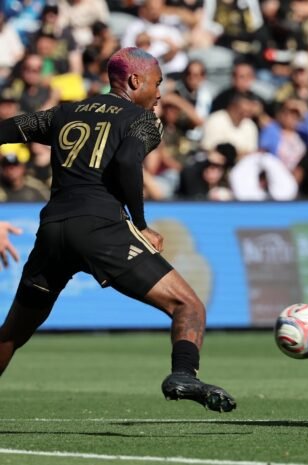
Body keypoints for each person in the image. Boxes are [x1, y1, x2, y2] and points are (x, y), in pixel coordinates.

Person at [0, 47, 236, 412]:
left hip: (52, 230)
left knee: (13, 332)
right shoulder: (142, 121)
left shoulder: (66, 111)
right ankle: (184, 374)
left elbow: (11, 129)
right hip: (101, 228)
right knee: (187, 304)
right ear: (134, 81)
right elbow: (127, 159)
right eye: (157, 84)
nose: (159, 94)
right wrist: (140, 224)